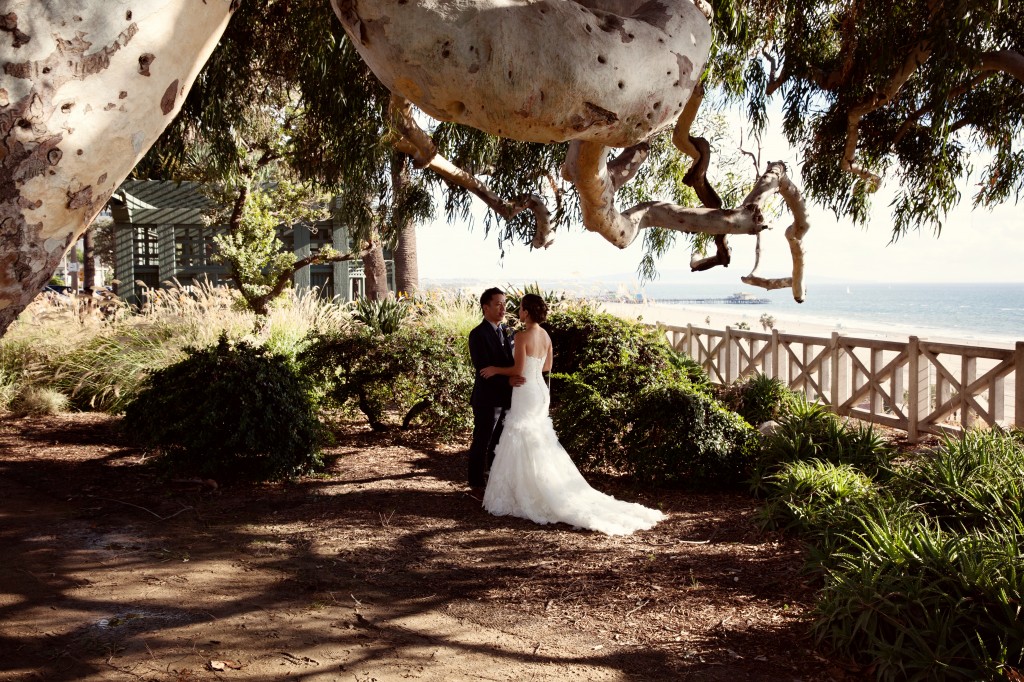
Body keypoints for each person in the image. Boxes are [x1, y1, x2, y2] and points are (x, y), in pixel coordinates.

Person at [479, 293, 666, 536]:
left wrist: (495, 369)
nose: (519, 311)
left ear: (526, 312)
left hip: (524, 389)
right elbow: (547, 367)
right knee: (538, 436)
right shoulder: (545, 335)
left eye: (521, 308)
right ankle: (542, 485)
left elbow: (516, 369)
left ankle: (527, 491)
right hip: (539, 389)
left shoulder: (522, 335)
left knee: (521, 434)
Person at [467, 287, 525, 495]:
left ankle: (493, 476)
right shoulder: (477, 334)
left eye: (504, 303)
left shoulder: (508, 331)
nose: (503, 308)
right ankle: (475, 481)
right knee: (483, 439)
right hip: (487, 398)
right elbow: (483, 369)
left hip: (507, 398)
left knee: (499, 441)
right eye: (498, 304)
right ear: (486, 307)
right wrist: (508, 380)